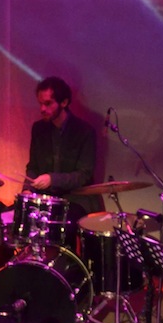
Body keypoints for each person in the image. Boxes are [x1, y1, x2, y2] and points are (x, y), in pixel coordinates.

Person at [24, 76, 103, 223]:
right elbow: (33, 167)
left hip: (74, 199)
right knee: (7, 217)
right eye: (40, 104)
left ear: (64, 102)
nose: (42, 109)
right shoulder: (38, 128)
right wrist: (28, 190)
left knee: (63, 221)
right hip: (45, 198)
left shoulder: (84, 131)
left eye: (48, 103)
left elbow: (84, 175)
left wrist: (52, 179)